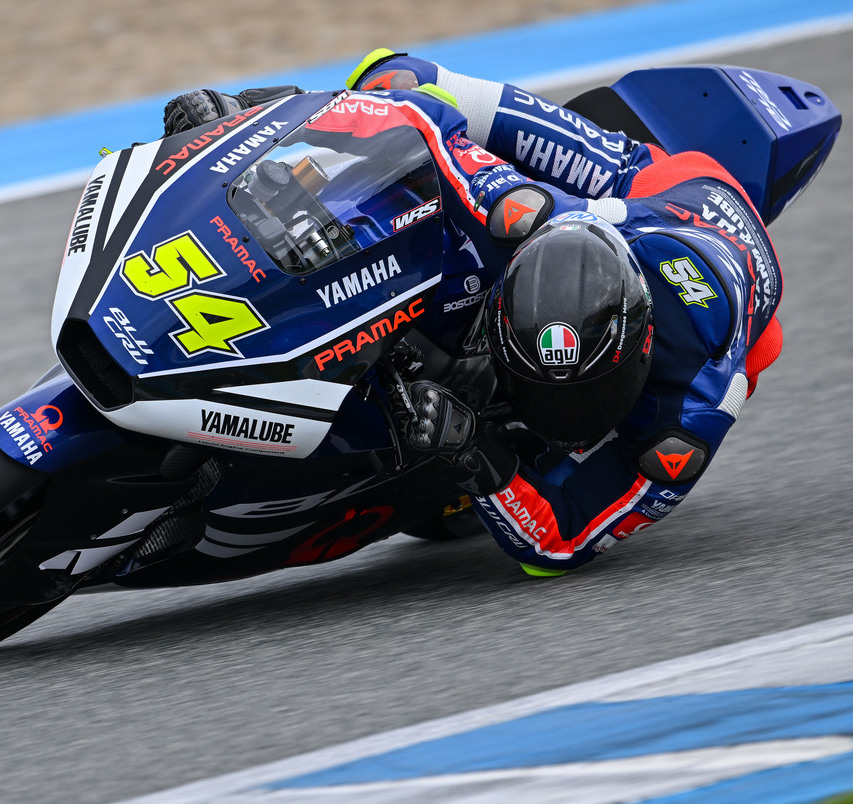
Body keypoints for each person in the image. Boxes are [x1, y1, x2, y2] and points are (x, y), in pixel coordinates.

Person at [162, 49, 784, 577]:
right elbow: (407, 112)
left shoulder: (688, 417)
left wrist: (473, 449)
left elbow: (559, 545)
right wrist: (251, 118)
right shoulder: (529, 212)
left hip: (690, 239)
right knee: (396, 77)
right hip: (636, 186)